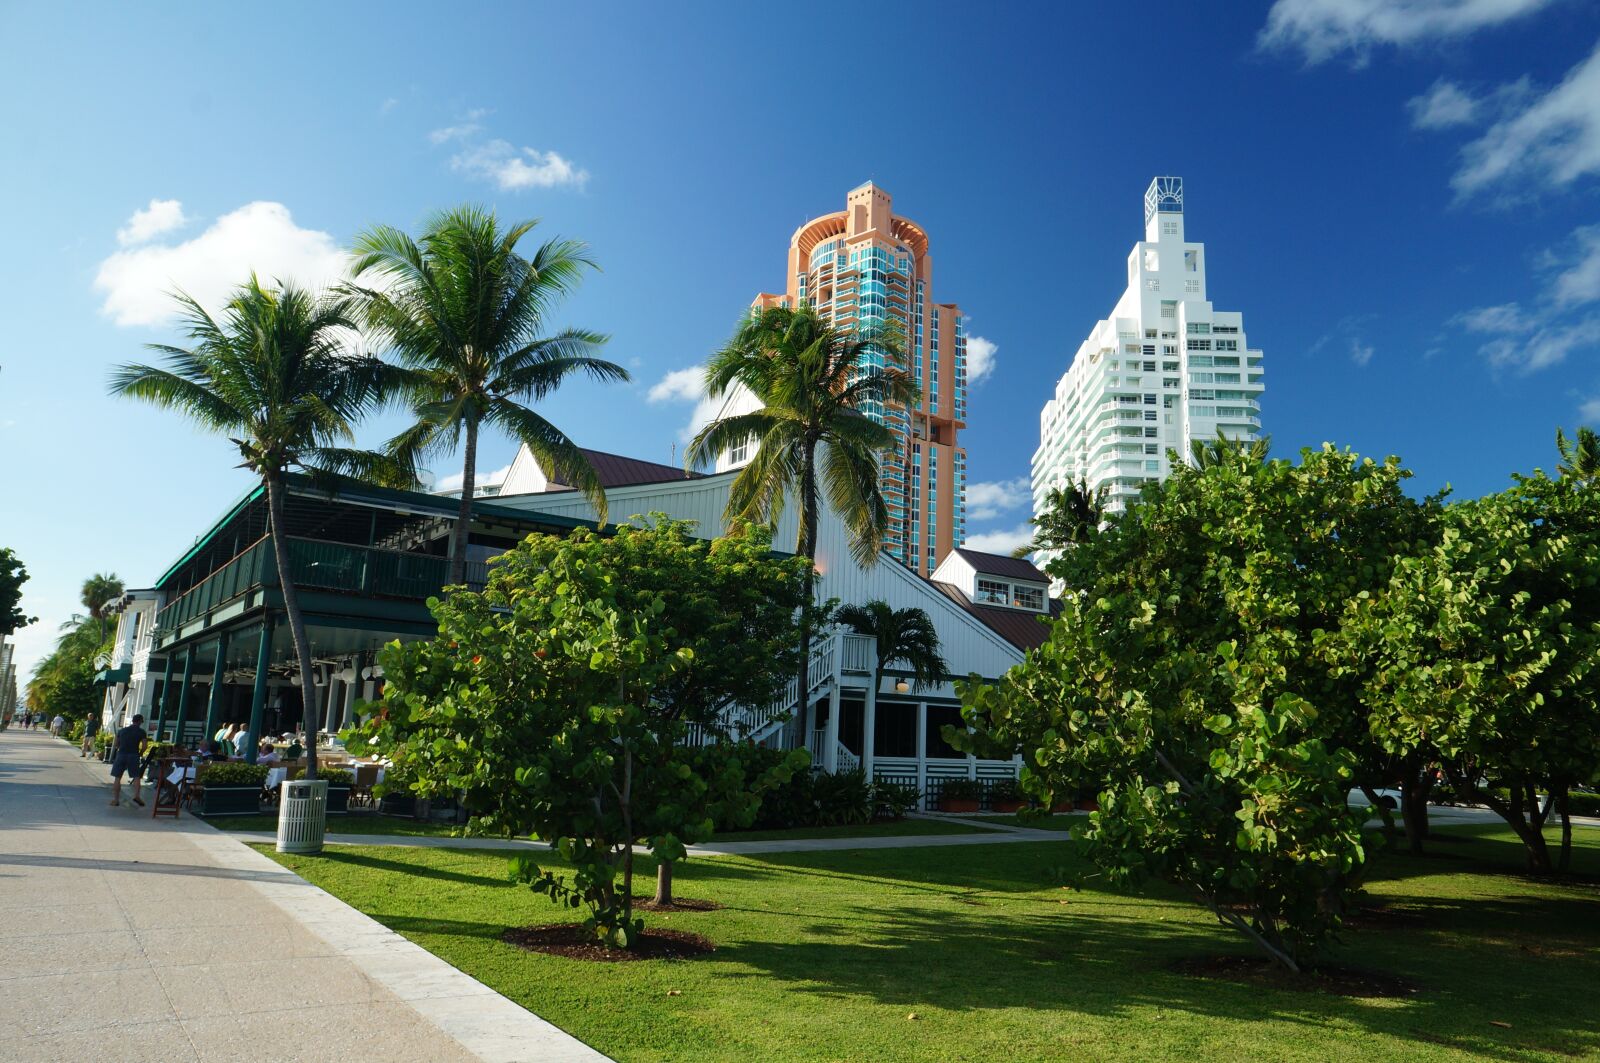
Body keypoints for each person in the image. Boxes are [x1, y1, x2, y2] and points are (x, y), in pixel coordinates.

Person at [109, 713, 148, 808]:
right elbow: (144, 746)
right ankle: (137, 796)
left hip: (121, 754)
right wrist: (141, 753)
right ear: (140, 722)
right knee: (136, 776)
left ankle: (115, 800)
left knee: (117, 777)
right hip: (133, 755)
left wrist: (119, 748)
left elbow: (115, 743)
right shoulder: (141, 732)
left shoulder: (122, 730)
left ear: (132, 721)